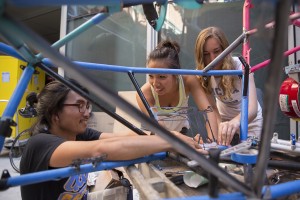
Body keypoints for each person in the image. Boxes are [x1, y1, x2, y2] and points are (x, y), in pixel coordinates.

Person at [20, 79, 205, 200]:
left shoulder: (77, 135)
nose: (86, 113)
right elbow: (101, 149)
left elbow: (122, 137)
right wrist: (172, 141)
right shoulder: (40, 144)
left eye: (87, 106)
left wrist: (172, 136)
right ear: (54, 114)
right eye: (79, 106)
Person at [136, 40, 219, 141]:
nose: (155, 83)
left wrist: (211, 142)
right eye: (151, 76)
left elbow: (208, 111)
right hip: (152, 137)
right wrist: (189, 141)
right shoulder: (144, 93)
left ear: (176, 74)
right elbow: (161, 129)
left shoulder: (189, 81)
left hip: (180, 136)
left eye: (162, 77)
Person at [194, 26, 263, 146]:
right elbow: (213, 108)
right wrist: (220, 128)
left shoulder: (241, 67)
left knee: (248, 157)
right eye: (206, 54)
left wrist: (235, 122)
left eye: (216, 51)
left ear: (225, 49)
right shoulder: (202, 74)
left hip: (250, 122)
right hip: (223, 121)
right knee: (224, 159)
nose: (212, 59)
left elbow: (252, 110)